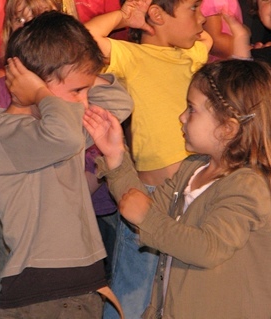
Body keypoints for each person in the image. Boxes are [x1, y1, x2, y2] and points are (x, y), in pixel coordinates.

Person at [83, 58, 271, 318]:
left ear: (227, 128)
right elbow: (141, 209)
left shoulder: (248, 185)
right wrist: (116, 157)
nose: (181, 117)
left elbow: (208, 248)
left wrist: (147, 217)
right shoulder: (191, 169)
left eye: (192, 109)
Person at [0, 11, 133, 318]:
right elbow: (62, 137)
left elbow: (121, 102)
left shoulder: (64, 124)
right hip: (42, 295)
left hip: (79, 286)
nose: (86, 102)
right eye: (78, 91)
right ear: (30, 80)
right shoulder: (5, 131)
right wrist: (37, 91)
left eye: (87, 91)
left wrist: (78, 81)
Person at [84, 0, 212, 317]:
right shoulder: (133, 55)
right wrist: (126, 17)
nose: (202, 16)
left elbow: (207, 38)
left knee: (180, 283)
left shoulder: (191, 53)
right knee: (133, 284)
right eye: (193, 8)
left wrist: (184, 23)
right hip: (148, 195)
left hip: (194, 191)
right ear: (156, 15)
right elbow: (85, 38)